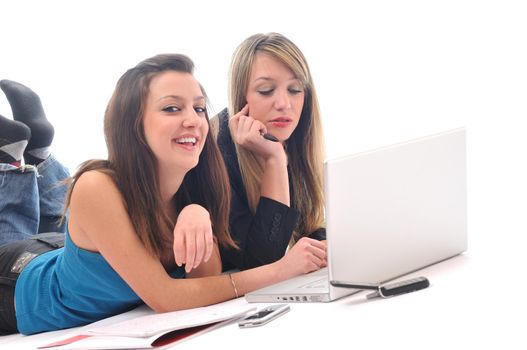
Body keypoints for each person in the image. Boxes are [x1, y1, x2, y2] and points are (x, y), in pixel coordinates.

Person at [0, 54, 326, 336]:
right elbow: (167, 298)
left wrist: (198, 214)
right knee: (13, 229)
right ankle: (17, 160)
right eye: (171, 108)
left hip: (63, 255)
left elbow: (203, 282)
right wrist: (281, 271)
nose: (193, 120)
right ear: (133, 124)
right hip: (17, 285)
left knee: (55, 224)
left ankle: (38, 154)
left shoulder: (196, 182)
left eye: (199, 108)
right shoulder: (97, 186)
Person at [213, 33, 327, 271]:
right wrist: (274, 159)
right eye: (266, 90)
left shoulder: (292, 138)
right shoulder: (215, 152)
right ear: (240, 97)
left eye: (295, 89)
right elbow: (262, 262)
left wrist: (325, 245)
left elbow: (306, 229)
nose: (284, 103)